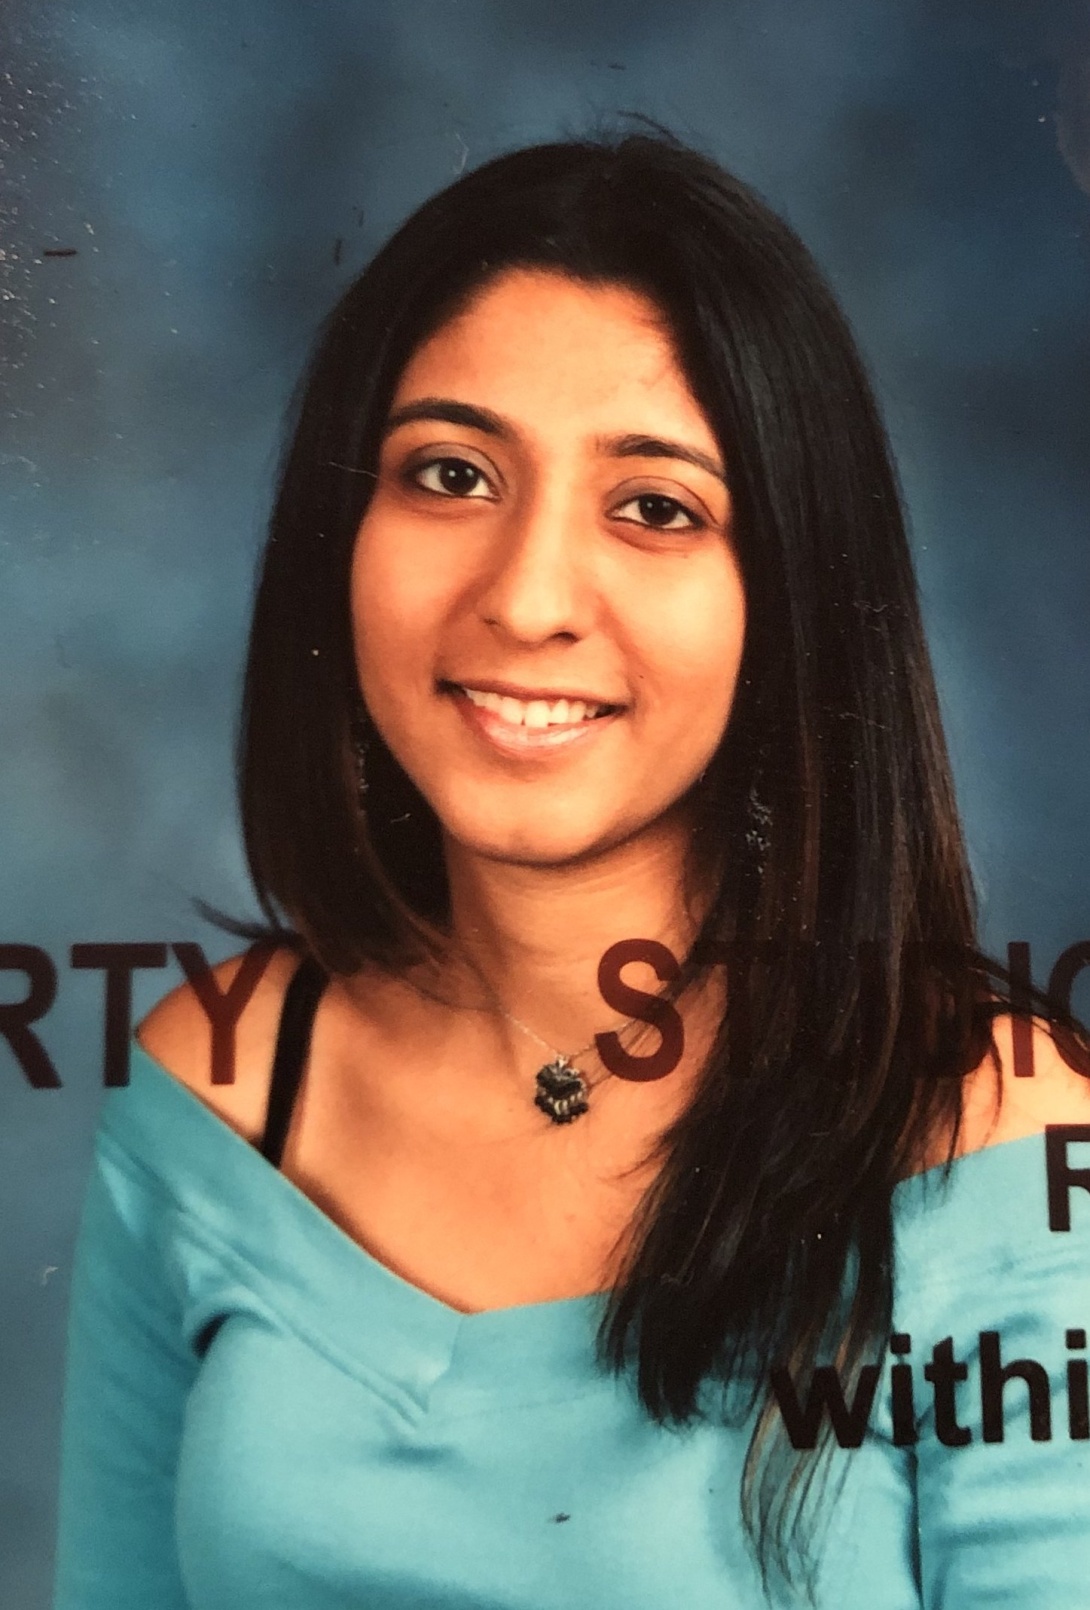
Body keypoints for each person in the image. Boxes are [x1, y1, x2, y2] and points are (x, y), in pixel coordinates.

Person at [52, 131, 1090, 1609]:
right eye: (450, 473)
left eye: (656, 506)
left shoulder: (997, 1130)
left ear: (790, 593)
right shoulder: (218, 1090)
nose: (526, 594)